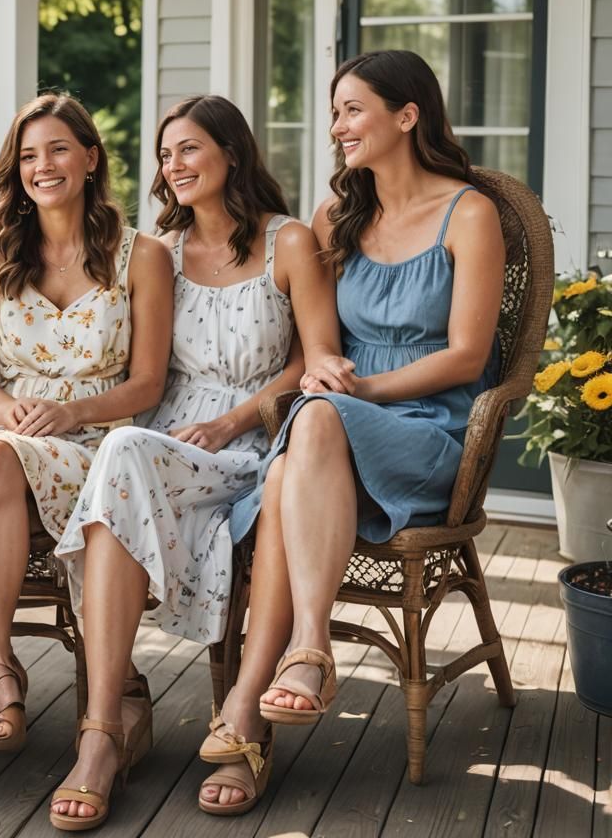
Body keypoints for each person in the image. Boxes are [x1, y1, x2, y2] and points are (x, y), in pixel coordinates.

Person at [202, 49, 504, 813]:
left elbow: (467, 354)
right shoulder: (338, 215)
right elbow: (319, 338)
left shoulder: (469, 212)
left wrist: (354, 387)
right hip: (334, 425)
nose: (337, 127)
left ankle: (293, 663)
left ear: (408, 115)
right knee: (287, 465)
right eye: (335, 111)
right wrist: (326, 367)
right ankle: (267, 696)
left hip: (429, 431)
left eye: (352, 110)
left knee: (308, 440)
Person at [48, 95, 347, 829]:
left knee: (117, 461)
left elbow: (312, 359)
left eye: (188, 150)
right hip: (161, 441)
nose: (172, 166)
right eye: (165, 154)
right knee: (117, 467)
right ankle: (104, 727)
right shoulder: (163, 252)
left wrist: (237, 418)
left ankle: (113, 731)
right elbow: (142, 369)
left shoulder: (290, 243)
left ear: (232, 156)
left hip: (252, 439)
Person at [0, 92, 173, 760]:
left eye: (58, 149)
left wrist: (72, 412)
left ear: (91, 158)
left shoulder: (140, 256)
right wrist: (15, 417)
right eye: (28, 155)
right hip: (8, 432)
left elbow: (147, 383)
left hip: (97, 442)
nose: (43, 166)